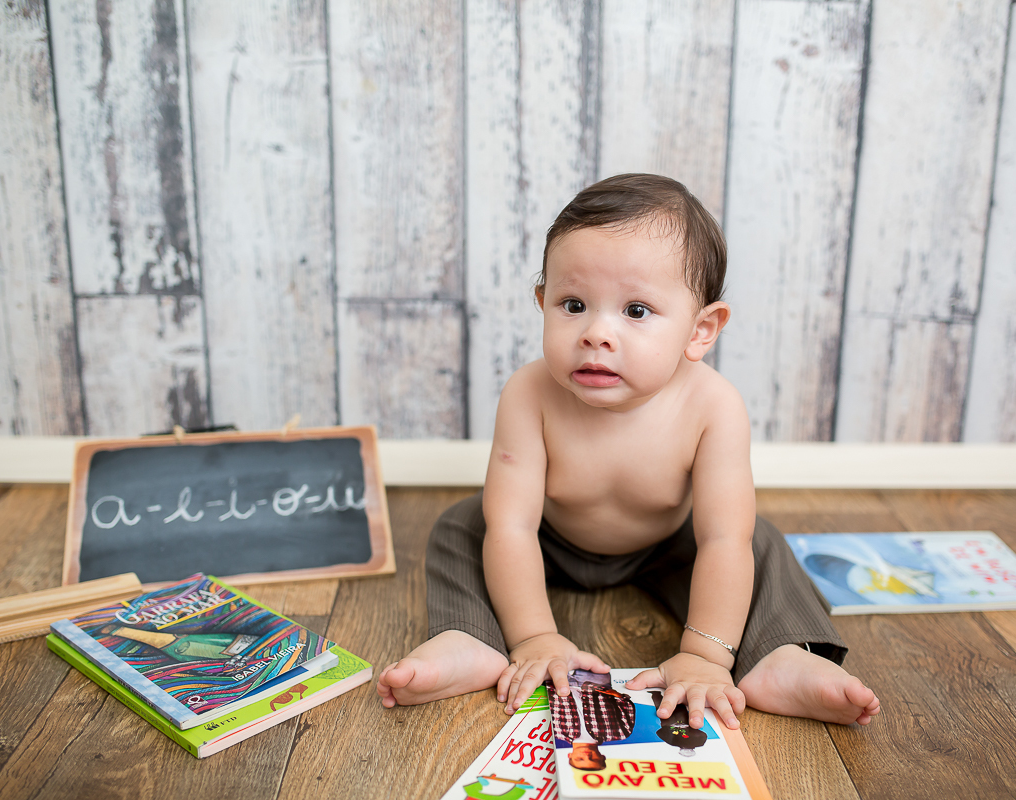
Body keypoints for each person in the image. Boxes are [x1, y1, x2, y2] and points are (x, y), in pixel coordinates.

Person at [377, 174, 880, 730]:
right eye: (573, 304)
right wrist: (536, 637)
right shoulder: (530, 393)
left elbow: (721, 540)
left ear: (700, 329)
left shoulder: (713, 406)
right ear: (543, 304)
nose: (597, 332)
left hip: (671, 546)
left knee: (757, 543)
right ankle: (470, 638)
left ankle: (780, 656)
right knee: (463, 526)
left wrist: (704, 657)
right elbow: (514, 528)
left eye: (636, 311)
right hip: (550, 538)